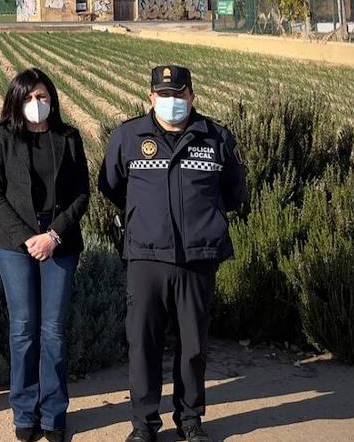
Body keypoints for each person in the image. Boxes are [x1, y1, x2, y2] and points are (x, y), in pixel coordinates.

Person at [98, 65, 247, 442]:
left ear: (192, 95)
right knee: (143, 344)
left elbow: (234, 191)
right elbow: (112, 185)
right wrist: (145, 220)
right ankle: (144, 425)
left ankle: (191, 420)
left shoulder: (216, 137)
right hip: (146, 257)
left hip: (198, 257)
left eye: (179, 94)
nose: (172, 102)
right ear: (150, 97)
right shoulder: (129, 137)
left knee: (193, 345)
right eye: (163, 95)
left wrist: (202, 222)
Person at [0, 68, 90, 442]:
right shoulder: (2, 137)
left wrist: (54, 235)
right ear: (16, 100)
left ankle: (54, 415)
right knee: (24, 330)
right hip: (15, 245)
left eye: (42, 96)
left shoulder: (69, 137)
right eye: (28, 97)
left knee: (54, 332)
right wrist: (29, 238)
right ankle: (25, 413)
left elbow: (81, 194)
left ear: (52, 99)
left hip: (59, 243)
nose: (36, 104)